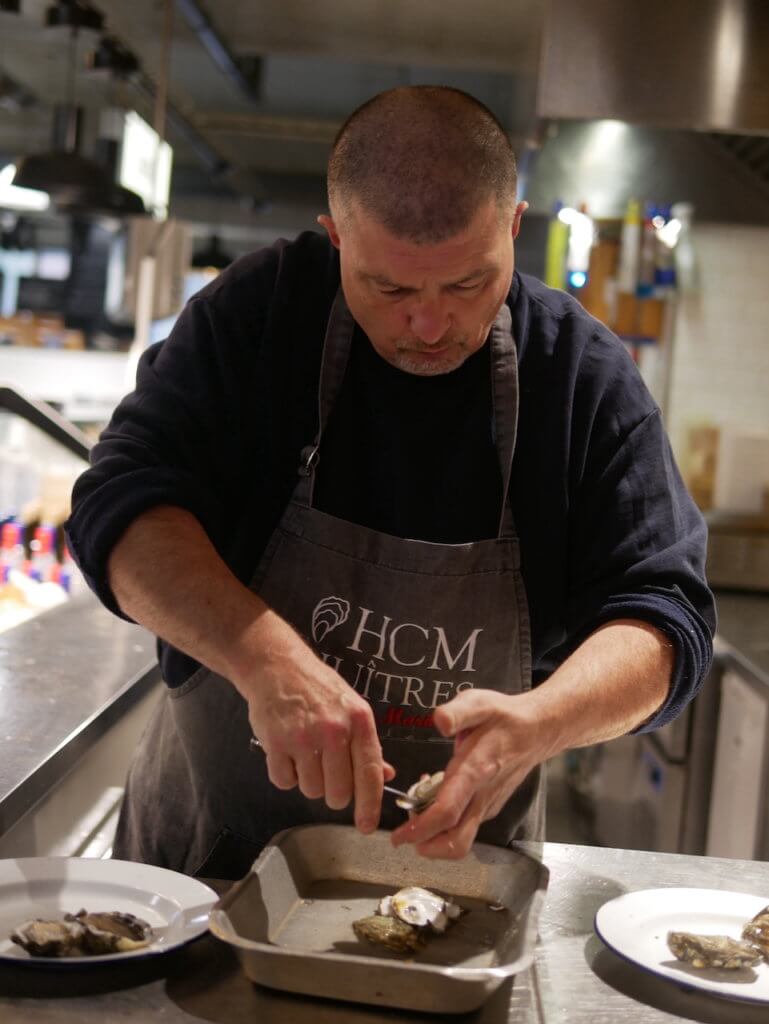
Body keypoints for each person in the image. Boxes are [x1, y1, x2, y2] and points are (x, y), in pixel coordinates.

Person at [65, 86, 715, 880]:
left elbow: (663, 612)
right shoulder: (257, 318)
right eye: (391, 289)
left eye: (467, 284)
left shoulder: (581, 378)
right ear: (336, 237)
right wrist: (263, 655)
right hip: (207, 873)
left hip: (466, 886)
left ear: (513, 226)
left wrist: (544, 720)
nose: (430, 326)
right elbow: (119, 507)